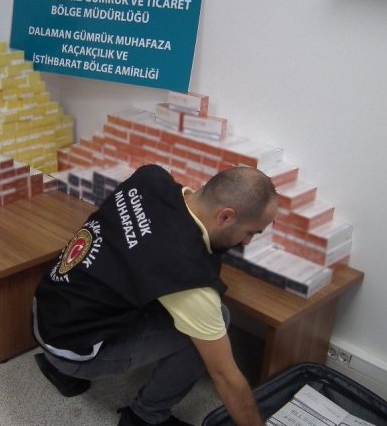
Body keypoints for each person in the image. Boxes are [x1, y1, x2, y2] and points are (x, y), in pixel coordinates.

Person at [32, 163, 278, 426]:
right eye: (251, 232)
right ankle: (145, 417)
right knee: (216, 320)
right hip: (71, 349)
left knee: (147, 288)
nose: (247, 242)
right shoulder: (185, 273)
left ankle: (61, 371)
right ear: (225, 217)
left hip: (46, 308)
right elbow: (225, 377)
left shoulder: (151, 178)